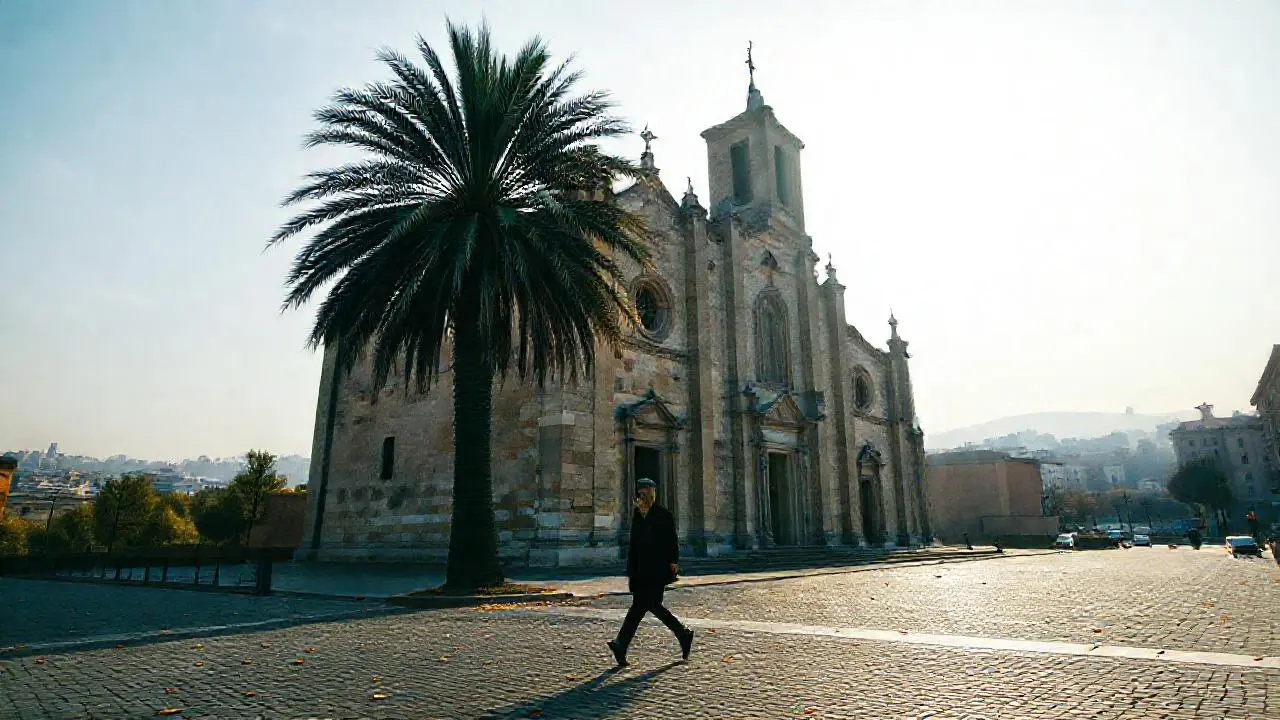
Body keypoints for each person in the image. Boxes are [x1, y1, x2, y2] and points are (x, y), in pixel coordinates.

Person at [607, 477, 693, 667]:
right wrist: (630, 570)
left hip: (656, 569)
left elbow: (671, 540)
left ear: (653, 493)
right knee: (652, 606)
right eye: (640, 492)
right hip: (640, 570)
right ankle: (683, 634)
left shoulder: (663, 515)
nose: (643, 495)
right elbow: (634, 545)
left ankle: (621, 644)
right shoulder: (637, 515)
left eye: (646, 492)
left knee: (640, 606)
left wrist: (673, 562)